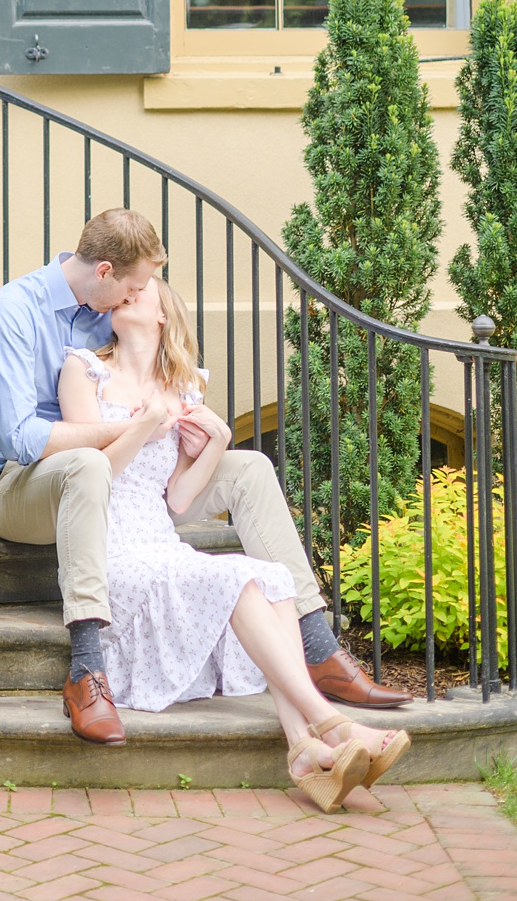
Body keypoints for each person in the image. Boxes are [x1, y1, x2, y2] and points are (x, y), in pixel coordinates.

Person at [0, 207, 407, 747]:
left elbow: (171, 482)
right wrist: (135, 423)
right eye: (137, 284)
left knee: (250, 467)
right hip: (22, 485)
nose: (142, 294)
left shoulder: (102, 312)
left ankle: (316, 644)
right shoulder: (16, 312)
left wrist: (204, 437)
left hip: (135, 499)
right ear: (105, 272)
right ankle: (86, 666)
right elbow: (22, 438)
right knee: (85, 465)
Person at [60, 278, 410, 810]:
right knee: (239, 576)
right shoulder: (84, 370)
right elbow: (89, 476)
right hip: (108, 544)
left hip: (158, 536)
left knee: (272, 578)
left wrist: (218, 440)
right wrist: (147, 422)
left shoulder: (181, 389)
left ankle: (303, 750)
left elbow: (176, 498)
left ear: (162, 314)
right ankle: (332, 725)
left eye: (144, 287)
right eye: (125, 286)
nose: (131, 290)